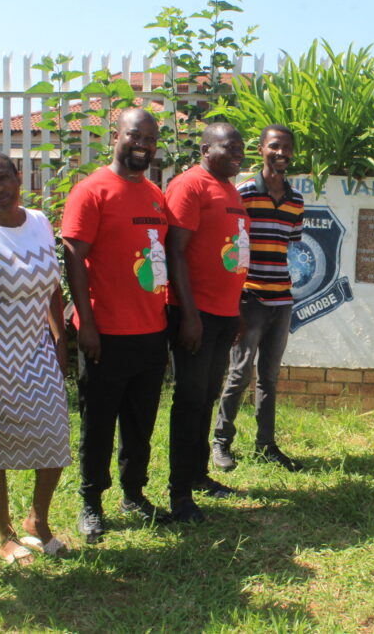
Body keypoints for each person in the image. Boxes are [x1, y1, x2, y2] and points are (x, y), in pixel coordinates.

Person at [62, 108, 171, 543]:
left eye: (150, 138)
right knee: (99, 422)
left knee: (140, 422)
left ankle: (133, 494)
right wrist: (85, 323)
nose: (142, 144)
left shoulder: (154, 194)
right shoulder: (91, 191)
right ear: (115, 136)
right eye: (134, 135)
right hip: (105, 333)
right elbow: (74, 259)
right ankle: (91, 501)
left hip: (150, 330)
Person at [0, 153, 71, 562]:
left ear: (18, 177)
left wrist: (61, 340)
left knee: (54, 437)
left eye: (3, 178)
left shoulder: (41, 222)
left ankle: (37, 520)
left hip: (39, 350)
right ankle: (5, 534)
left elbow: (54, 287)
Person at [165, 122, 250, 523]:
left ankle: (198, 476)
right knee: (189, 401)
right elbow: (175, 251)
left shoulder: (230, 190)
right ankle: (178, 493)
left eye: (240, 148)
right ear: (204, 149)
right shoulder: (191, 185)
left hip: (223, 314)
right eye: (229, 146)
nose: (238, 153)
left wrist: (232, 312)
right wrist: (191, 314)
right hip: (195, 315)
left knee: (206, 399)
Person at [212, 125, 305, 473]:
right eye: (274, 146)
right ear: (262, 149)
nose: (281, 153)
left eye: (287, 148)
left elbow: (289, 248)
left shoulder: (296, 201)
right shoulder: (244, 194)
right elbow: (231, 248)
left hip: (282, 301)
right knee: (239, 374)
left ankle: (266, 445)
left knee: (269, 377)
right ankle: (221, 442)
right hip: (249, 300)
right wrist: (234, 299)